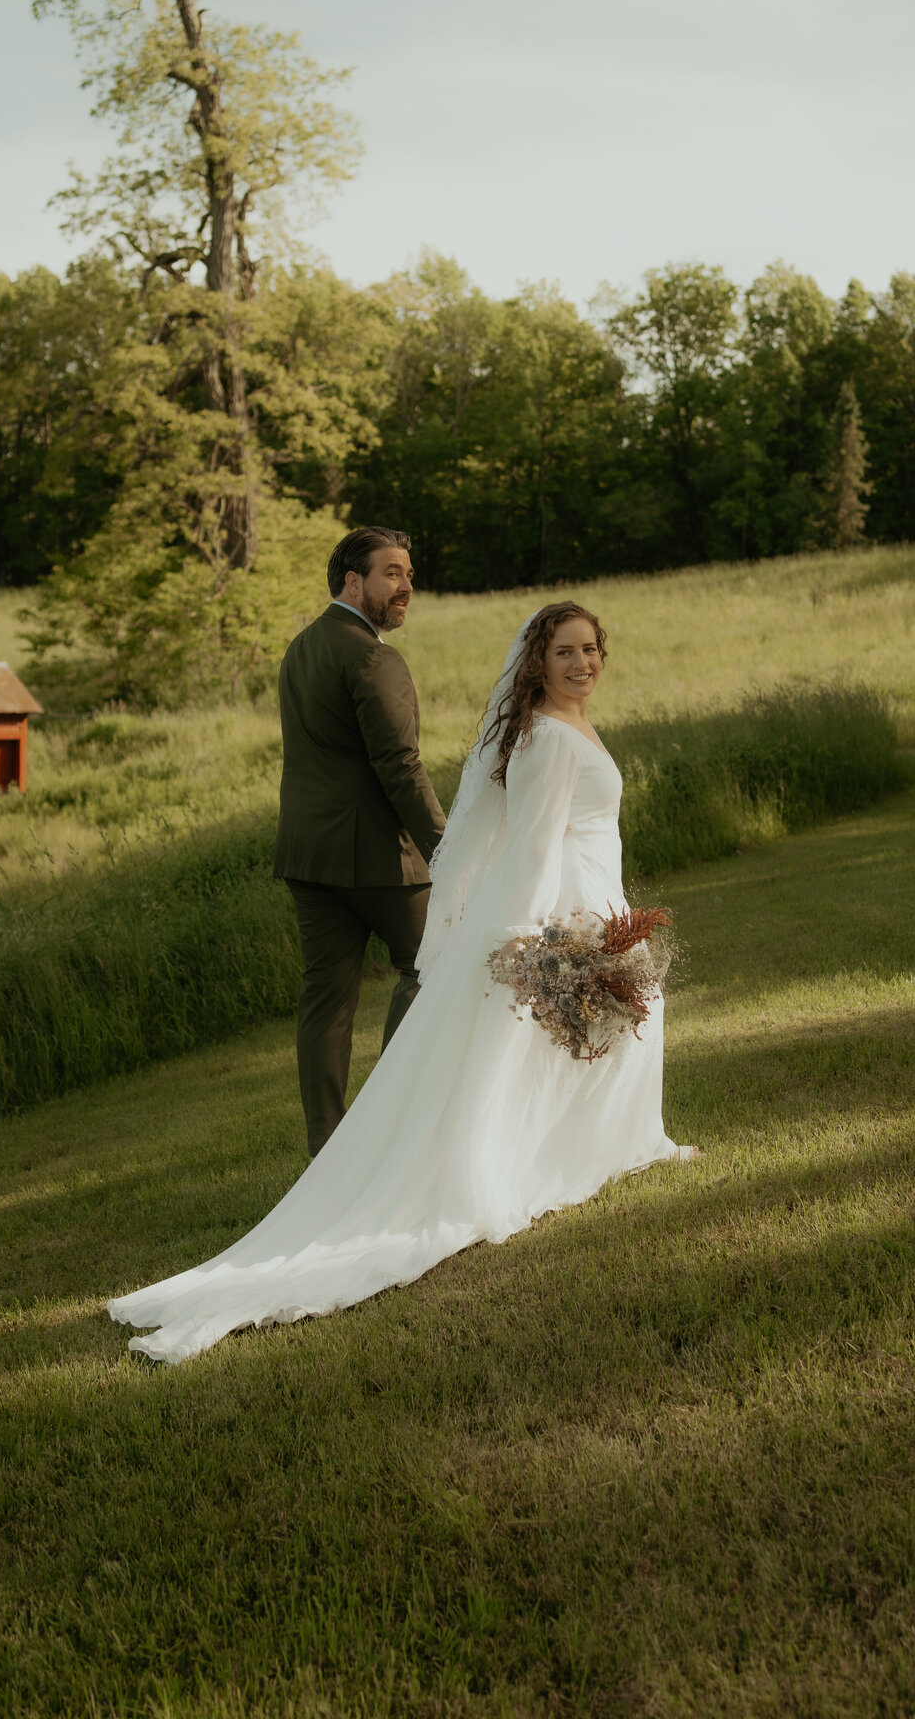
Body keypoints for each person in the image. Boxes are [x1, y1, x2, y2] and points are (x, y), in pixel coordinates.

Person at [108, 602, 697, 1363]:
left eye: (591, 650)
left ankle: (616, 1144)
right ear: (538, 664)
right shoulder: (547, 737)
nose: (582, 663)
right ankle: (533, 1163)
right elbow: (533, 847)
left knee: (607, 1035)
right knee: (559, 1038)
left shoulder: (574, 723)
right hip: (564, 903)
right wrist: (536, 936)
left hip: (597, 891)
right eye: (565, 653)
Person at [271, 526, 446, 1157]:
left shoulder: (301, 647)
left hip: (309, 857)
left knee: (326, 1001)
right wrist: (444, 847)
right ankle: (383, 1120)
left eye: (408, 574)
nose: (406, 587)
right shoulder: (375, 657)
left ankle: (326, 1145)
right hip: (378, 859)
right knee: (434, 964)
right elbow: (400, 765)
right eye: (392, 573)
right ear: (353, 581)